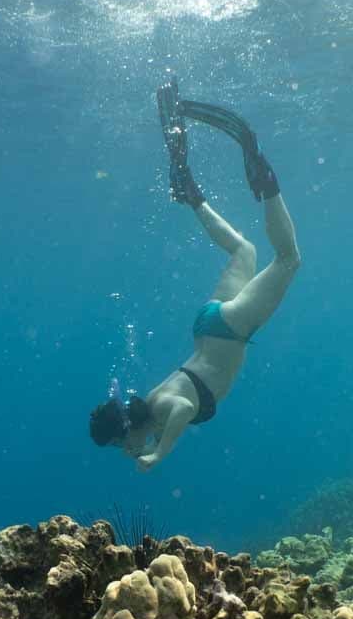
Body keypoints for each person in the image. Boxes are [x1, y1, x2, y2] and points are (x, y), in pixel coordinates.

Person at [89, 80, 300, 471]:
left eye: (121, 444)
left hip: (229, 329)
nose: (125, 451)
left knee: (288, 260)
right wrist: (144, 441)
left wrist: (158, 453)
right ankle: (193, 196)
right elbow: (157, 417)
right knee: (245, 250)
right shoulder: (149, 409)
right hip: (208, 324)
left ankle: (264, 177)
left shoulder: (164, 409)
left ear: (126, 429)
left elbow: (185, 407)